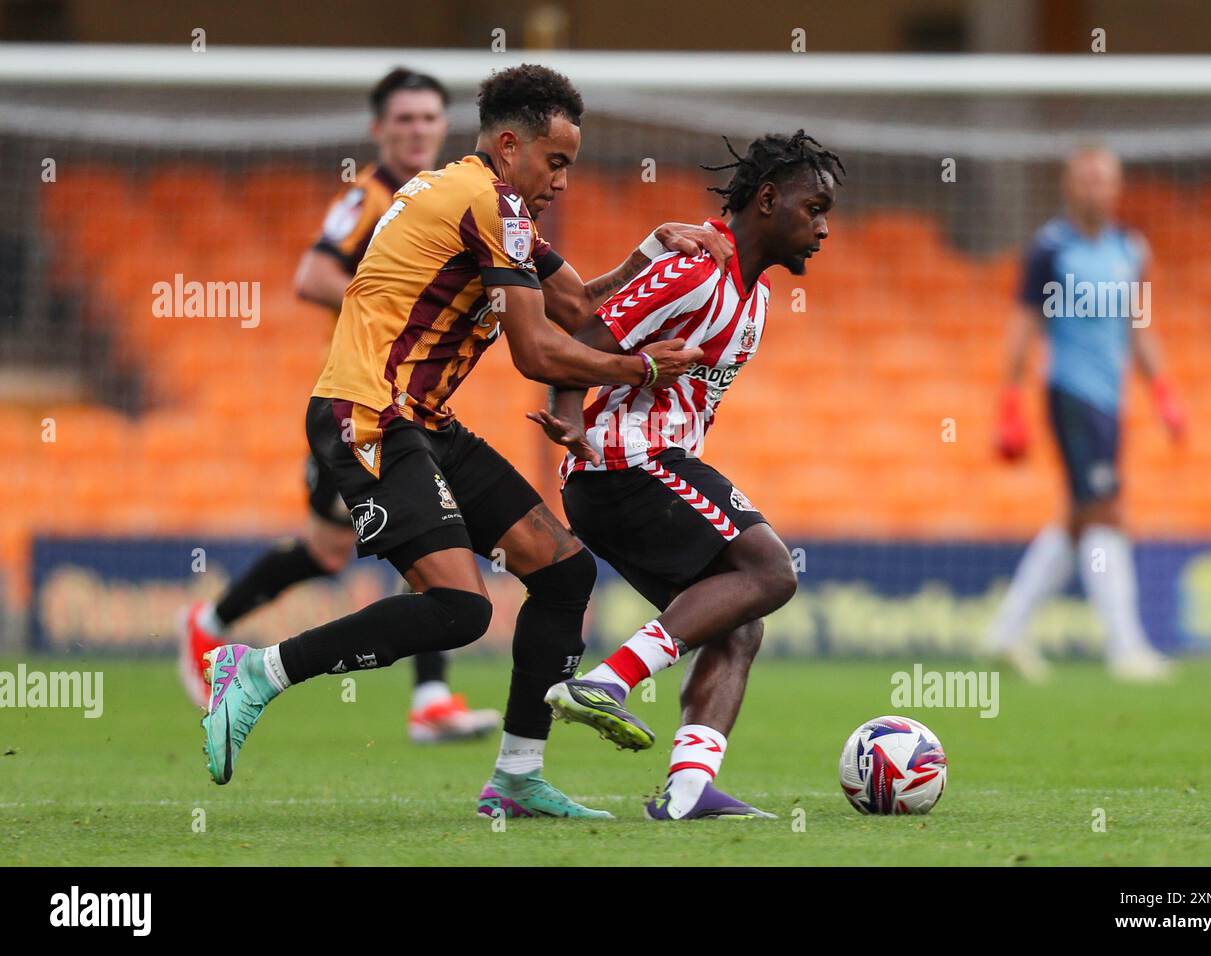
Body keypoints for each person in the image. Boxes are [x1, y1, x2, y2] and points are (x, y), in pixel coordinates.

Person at [198, 64, 731, 821]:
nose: (564, 182)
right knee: (460, 608)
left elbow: (575, 302)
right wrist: (639, 367)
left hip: (425, 420)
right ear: (510, 145)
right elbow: (538, 353)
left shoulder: (490, 199)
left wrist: (647, 252)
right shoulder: (485, 200)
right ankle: (255, 672)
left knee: (564, 572)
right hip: (371, 414)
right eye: (557, 161)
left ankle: (516, 778)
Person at [178, 67, 498, 743]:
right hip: (359, 402)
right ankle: (211, 627)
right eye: (403, 119)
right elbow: (313, 274)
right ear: (379, 130)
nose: (417, 130)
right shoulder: (374, 194)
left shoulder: (441, 195)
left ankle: (431, 696)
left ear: (444, 127)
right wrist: (396, 299)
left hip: (397, 403)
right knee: (367, 542)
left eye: (428, 118)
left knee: (401, 534)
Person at [536, 132, 842, 819]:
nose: (823, 227)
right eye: (813, 207)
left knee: (740, 621)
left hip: (651, 465)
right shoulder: (694, 270)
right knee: (772, 572)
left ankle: (688, 790)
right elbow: (578, 343)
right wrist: (569, 419)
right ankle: (606, 683)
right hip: (626, 461)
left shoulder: (754, 294)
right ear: (767, 199)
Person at [987, 146, 1186, 683]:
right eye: (1088, 180)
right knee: (1108, 511)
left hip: (1112, 399)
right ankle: (1125, 647)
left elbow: (1139, 326)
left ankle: (1005, 631)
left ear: (1117, 188)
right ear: (1070, 187)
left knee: (1078, 519)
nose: (1097, 189)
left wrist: (1163, 390)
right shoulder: (1050, 249)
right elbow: (1023, 323)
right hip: (1070, 392)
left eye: (1106, 180)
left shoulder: (1130, 248)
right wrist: (1009, 399)